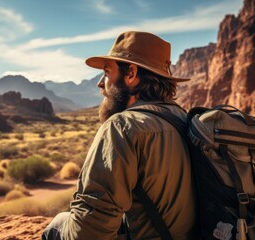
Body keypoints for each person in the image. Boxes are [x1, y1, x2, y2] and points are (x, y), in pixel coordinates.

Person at [42, 31, 197, 240]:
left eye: (107, 72)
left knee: (57, 226)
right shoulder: (182, 118)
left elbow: (88, 232)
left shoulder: (122, 127)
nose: (100, 83)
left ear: (131, 74)